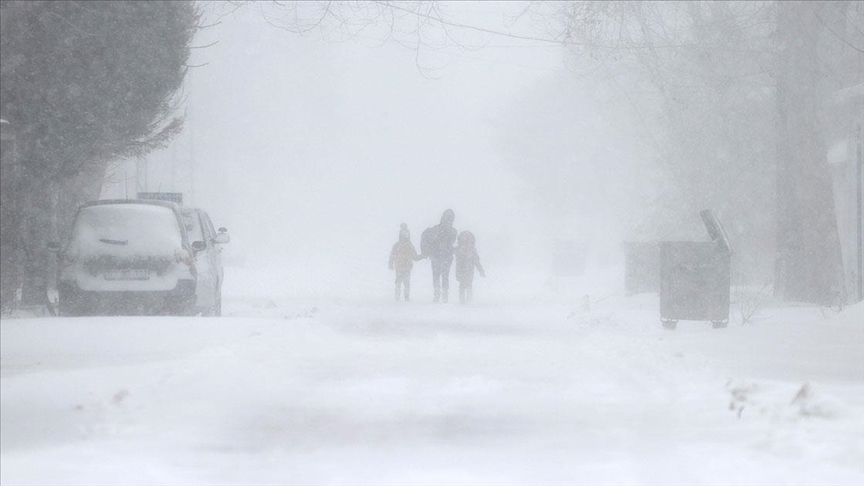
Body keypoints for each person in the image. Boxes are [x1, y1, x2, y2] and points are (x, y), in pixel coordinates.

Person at [421, 209, 457, 303]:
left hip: (436, 256)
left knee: (437, 275)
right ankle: (444, 295)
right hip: (445, 257)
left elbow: (430, 239)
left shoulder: (434, 229)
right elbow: (451, 241)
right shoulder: (453, 231)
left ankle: (437, 294)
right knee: (445, 276)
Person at [388, 223, 419, 301]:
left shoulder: (397, 245)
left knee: (399, 282)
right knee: (406, 283)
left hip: (400, 266)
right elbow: (415, 256)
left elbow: (392, 255)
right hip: (406, 266)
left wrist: (390, 263)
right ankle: (405, 297)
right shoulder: (409, 245)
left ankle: (398, 297)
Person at [454, 231, 485, 304]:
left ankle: (466, 300)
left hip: (464, 270)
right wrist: (481, 271)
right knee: (466, 285)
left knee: (464, 285)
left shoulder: (459, 249)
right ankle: (466, 300)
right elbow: (477, 262)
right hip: (466, 270)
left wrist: (481, 271)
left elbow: (476, 261)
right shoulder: (470, 250)